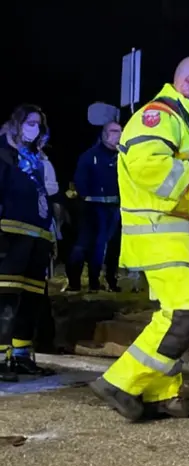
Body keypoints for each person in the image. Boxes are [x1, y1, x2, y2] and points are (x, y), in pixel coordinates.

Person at [89, 57, 189, 420]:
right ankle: (120, 381)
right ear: (186, 84)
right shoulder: (159, 117)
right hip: (160, 231)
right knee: (187, 313)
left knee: (174, 314)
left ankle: (161, 392)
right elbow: (148, 167)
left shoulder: (185, 122)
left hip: (176, 235)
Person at [0, 105, 58, 380]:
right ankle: (1, 356)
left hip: (38, 235)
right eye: (29, 122)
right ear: (17, 124)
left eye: (38, 124)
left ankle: (21, 355)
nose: (33, 128)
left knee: (32, 298)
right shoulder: (4, 153)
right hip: (10, 233)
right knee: (6, 297)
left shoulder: (38, 158)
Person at [66, 121, 123, 293]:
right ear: (104, 134)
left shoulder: (123, 157)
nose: (118, 135)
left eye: (120, 131)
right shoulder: (90, 156)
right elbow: (80, 182)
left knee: (113, 247)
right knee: (87, 245)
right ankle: (76, 282)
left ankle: (108, 281)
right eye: (114, 131)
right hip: (92, 207)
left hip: (115, 207)